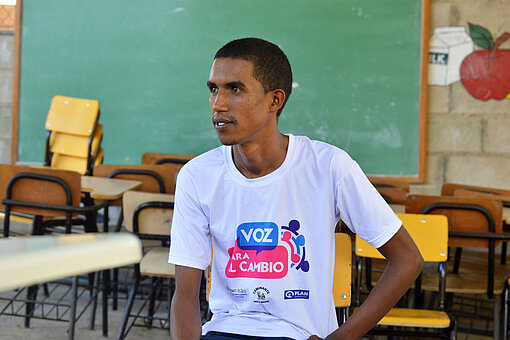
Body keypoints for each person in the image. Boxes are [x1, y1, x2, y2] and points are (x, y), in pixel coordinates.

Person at [169, 37, 424, 340]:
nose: (218, 104)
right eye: (213, 89)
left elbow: (407, 259)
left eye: (235, 89)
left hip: (301, 335)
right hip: (225, 331)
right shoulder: (196, 176)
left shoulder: (329, 166)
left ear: (274, 100)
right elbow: (184, 293)